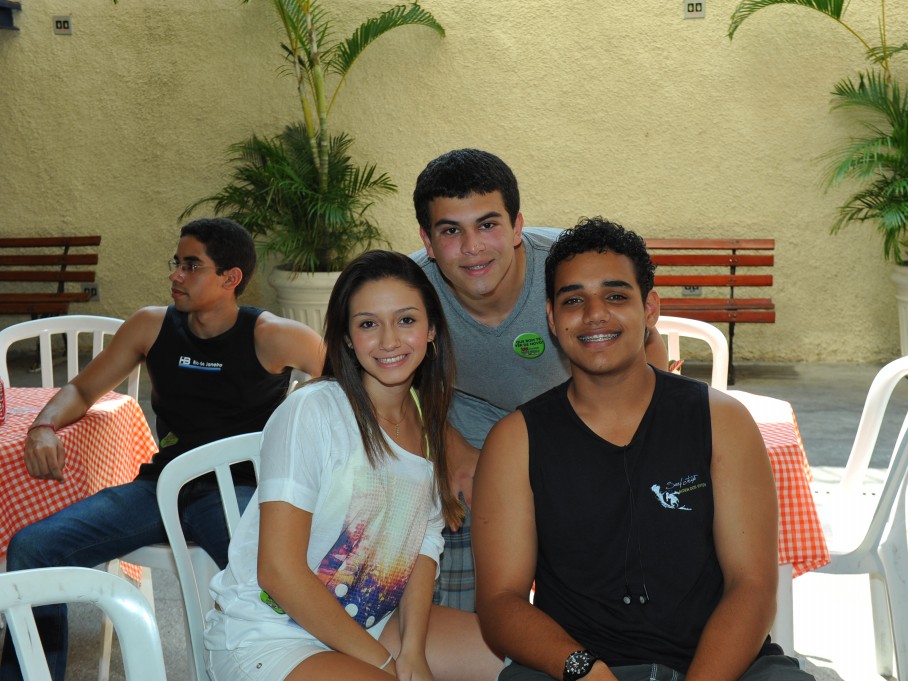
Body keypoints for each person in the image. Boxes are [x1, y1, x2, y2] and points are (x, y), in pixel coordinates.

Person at [472, 218, 813, 681]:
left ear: (650, 308)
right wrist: (584, 670)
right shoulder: (516, 441)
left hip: (720, 667)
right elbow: (500, 602)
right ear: (552, 318)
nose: (595, 314)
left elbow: (751, 586)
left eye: (616, 296)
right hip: (577, 670)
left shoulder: (721, 421)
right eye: (573, 300)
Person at [0, 217, 326, 681]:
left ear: (230, 278)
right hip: (161, 486)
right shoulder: (151, 326)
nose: (176, 274)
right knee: (33, 548)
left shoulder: (271, 335)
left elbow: (347, 385)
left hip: (236, 493)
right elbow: (82, 389)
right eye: (177, 262)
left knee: (276, 583)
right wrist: (43, 425)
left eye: (192, 265)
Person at [205, 251, 502, 681]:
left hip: (373, 621)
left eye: (406, 320)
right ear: (346, 337)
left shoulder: (428, 420)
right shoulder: (313, 411)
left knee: (515, 664)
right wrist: (387, 666)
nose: (389, 341)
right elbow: (278, 573)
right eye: (367, 324)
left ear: (432, 329)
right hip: (269, 633)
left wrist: (413, 652)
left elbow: (423, 545)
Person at [411, 149, 667, 611]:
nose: (472, 247)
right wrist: (449, 447)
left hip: (580, 428)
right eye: (451, 231)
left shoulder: (569, 268)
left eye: (488, 224)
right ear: (428, 241)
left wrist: (643, 447)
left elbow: (648, 342)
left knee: (629, 576)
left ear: (517, 226)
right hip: (470, 441)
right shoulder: (409, 291)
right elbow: (371, 380)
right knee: (463, 597)